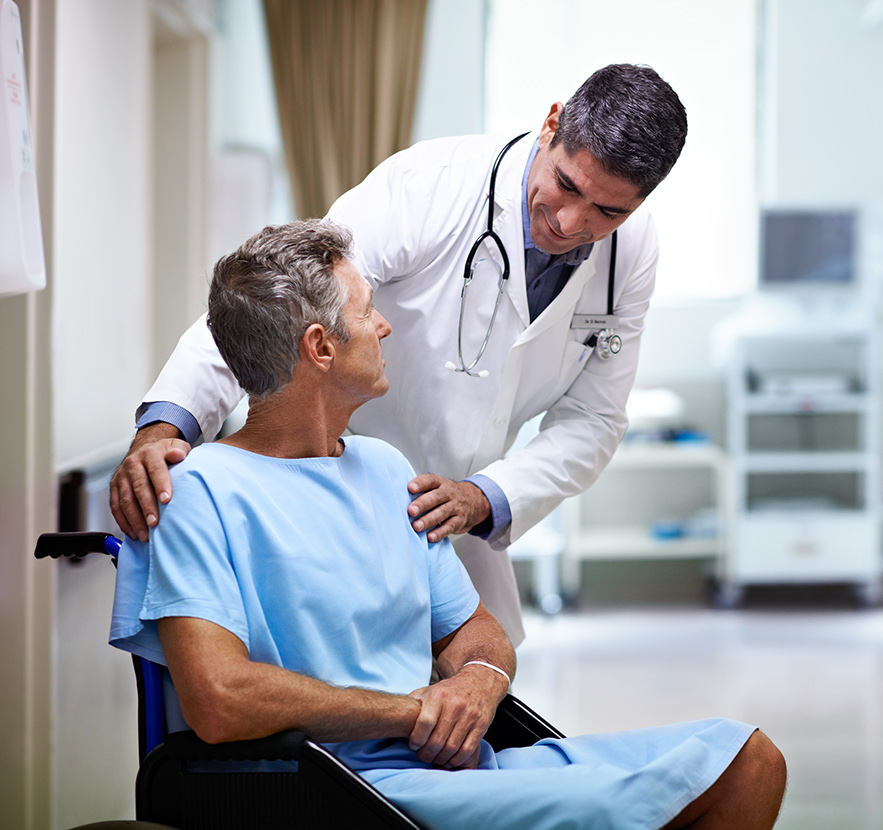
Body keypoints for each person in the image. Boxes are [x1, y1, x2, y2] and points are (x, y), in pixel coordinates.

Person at [109, 220, 786, 830]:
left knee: (749, 761)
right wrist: (411, 712)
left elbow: (473, 629)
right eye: (369, 312)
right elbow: (220, 699)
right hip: (350, 788)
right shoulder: (200, 492)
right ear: (320, 347)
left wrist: (477, 681)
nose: (384, 328)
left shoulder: (382, 467)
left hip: (459, 767)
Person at [110, 64, 689, 644]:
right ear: (551, 124)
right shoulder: (430, 185)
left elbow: (594, 419)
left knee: (482, 687)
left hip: (447, 522)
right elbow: (277, 298)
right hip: (327, 482)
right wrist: (167, 424)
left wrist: (485, 497)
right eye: (567, 185)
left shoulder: (631, 255)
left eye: (608, 212)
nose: (570, 222)